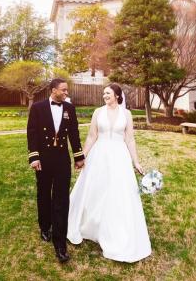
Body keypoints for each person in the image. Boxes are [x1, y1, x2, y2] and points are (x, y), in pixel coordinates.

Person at [67, 83, 151, 263]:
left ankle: (115, 230)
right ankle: (91, 225)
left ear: (117, 96)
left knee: (117, 193)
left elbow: (129, 138)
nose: (104, 96)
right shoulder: (98, 112)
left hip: (119, 157)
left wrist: (135, 161)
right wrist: (82, 156)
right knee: (96, 190)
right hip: (99, 155)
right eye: (103, 93)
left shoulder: (126, 114)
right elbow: (91, 136)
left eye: (108, 93)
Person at [27, 78, 85, 263]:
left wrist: (78, 157)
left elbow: (74, 133)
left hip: (61, 160)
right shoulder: (37, 108)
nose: (67, 93)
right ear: (53, 91)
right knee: (44, 194)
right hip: (43, 160)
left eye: (67, 90)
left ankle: (60, 245)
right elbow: (32, 132)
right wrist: (34, 157)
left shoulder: (70, 108)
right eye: (64, 90)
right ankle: (45, 227)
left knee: (61, 199)